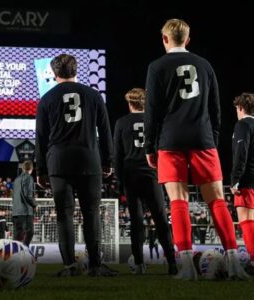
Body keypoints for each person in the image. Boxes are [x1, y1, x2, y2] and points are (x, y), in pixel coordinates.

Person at [144, 18, 249, 280]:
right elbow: (215, 108)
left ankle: (187, 267)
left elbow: (152, 111)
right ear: (188, 40)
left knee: (179, 202)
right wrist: (211, 137)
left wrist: (149, 145)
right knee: (217, 200)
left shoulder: (156, 67)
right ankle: (235, 263)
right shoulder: (205, 65)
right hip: (203, 138)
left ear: (165, 39)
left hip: (170, 139)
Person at [35, 54, 118, 277]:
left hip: (58, 162)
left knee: (64, 215)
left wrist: (40, 168)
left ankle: (69, 266)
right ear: (76, 69)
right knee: (91, 214)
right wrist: (108, 159)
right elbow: (105, 130)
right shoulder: (93, 95)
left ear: (53, 73)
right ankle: (95, 265)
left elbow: (41, 137)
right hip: (89, 159)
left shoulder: (47, 98)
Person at [114, 88, 176, 275]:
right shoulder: (155, 121)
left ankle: (139, 264)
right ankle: (172, 263)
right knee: (160, 218)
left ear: (130, 103)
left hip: (131, 174)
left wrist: (119, 182)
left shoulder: (122, 122)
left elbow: (118, 155)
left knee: (136, 221)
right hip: (152, 174)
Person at [230, 93, 254, 274]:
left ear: (240, 108)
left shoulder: (243, 124)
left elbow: (241, 152)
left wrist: (235, 179)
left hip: (248, 181)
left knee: (247, 221)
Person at [12, 160, 36, 246]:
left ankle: (14, 254)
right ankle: (24, 250)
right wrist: (34, 205)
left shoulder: (16, 179)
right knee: (30, 232)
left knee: (18, 235)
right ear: (31, 169)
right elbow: (28, 195)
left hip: (16, 211)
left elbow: (13, 196)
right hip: (25, 211)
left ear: (23, 168)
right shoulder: (29, 178)